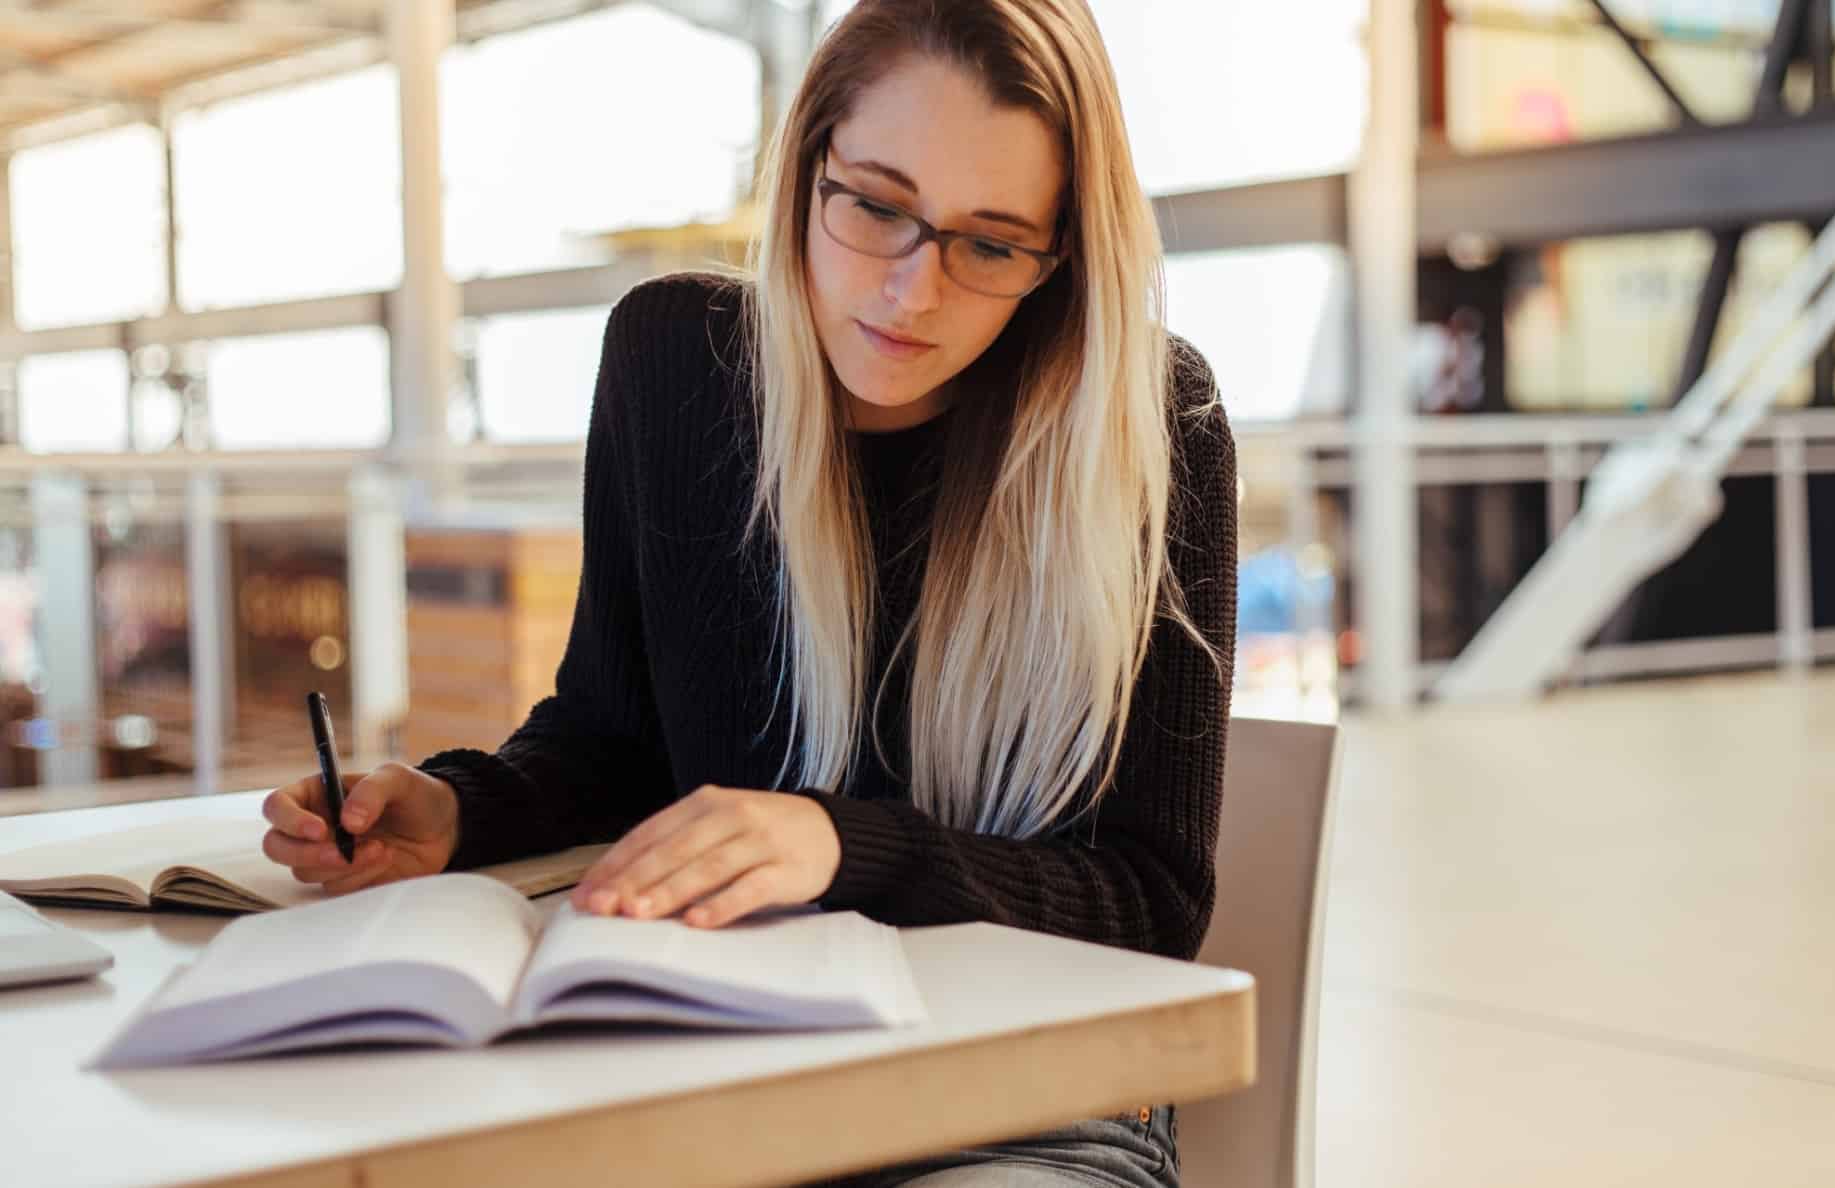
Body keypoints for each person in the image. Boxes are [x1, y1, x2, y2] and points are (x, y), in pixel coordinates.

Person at [258, 0, 1236, 1182]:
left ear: (1062, 254)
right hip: (713, 1062)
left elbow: (1148, 898)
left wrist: (840, 846)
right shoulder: (677, 362)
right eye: (874, 206)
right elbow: (615, 741)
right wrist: (466, 809)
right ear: (804, 168)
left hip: (1023, 1100)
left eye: (988, 243)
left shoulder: (1145, 428)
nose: (911, 291)